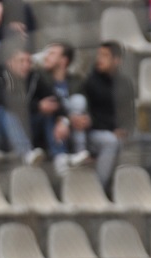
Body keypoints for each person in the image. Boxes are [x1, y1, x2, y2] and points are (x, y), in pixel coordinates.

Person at [0, 44, 53, 166]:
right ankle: (26, 153)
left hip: (23, 128)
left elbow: (53, 98)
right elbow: (6, 101)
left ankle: (60, 156)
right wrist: (37, 106)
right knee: (7, 109)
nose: (26, 65)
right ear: (9, 62)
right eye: (21, 61)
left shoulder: (33, 77)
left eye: (29, 61)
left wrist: (62, 119)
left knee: (50, 110)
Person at [80, 41, 135, 188]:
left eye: (105, 56)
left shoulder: (125, 83)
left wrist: (125, 129)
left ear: (117, 60)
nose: (99, 59)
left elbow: (130, 113)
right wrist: (113, 129)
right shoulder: (90, 82)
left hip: (119, 132)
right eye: (99, 55)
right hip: (95, 134)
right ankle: (98, 189)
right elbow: (89, 117)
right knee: (111, 141)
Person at [37, 41, 91, 175]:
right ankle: (62, 157)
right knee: (52, 108)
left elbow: (87, 106)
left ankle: (80, 152)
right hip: (49, 126)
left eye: (52, 53)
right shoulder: (40, 78)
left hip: (73, 127)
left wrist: (87, 119)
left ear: (63, 60)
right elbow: (49, 106)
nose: (46, 56)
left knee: (78, 100)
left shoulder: (77, 81)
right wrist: (66, 119)